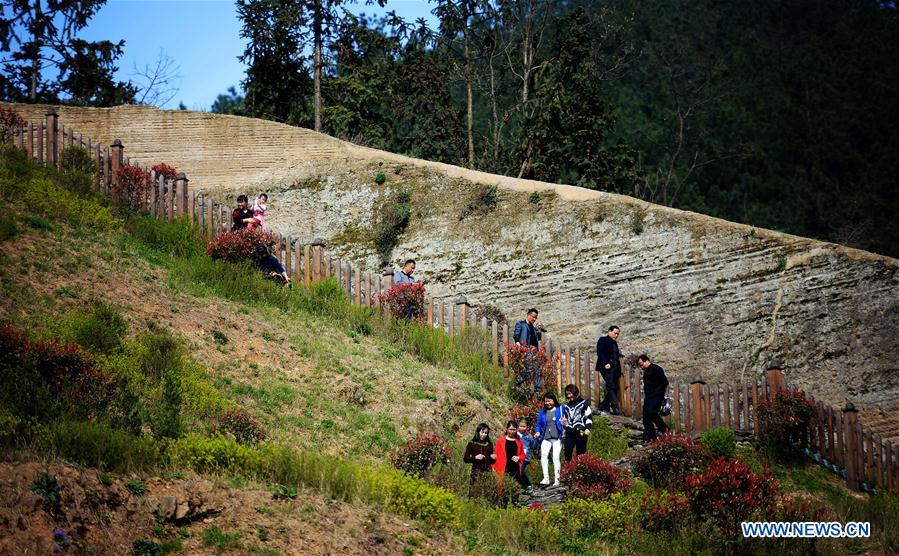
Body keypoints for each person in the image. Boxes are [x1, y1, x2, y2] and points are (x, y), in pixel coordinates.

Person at [493, 420, 532, 492]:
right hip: (504, 467)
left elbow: (522, 455)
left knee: (519, 486)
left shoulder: (518, 441)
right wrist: (494, 467)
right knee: (504, 488)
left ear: (516, 430)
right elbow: (496, 454)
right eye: (510, 429)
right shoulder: (501, 441)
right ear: (507, 429)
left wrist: (518, 457)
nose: (512, 431)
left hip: (515, 468)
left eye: (514, 430)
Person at [638, 354, 669, 442]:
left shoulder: (656, 369)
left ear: (647, 361)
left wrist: (665, 396)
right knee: (645, 418)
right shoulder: (646, 372)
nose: (641, 367)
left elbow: (665, 382)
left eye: (641, 364)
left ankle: (665, 429)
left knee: (652, 412)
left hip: (657, 395)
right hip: (648, 397)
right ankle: (652, 439)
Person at [535, 392, 563, 486]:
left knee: (555, 457)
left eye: (549, 401)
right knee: (544, 455)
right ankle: (546, 478)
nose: (548, 403)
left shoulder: (560, 410)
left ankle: (557, 479)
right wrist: (537, 431)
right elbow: (538, 424)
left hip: (557, 437)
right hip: (546, 437)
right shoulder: (542, 412)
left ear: (554, 400)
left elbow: (565, 420)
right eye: (546, 401)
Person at [561, 384, 593, 462]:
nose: (569, 396)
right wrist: (564, 422)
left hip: (580, 431)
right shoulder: (567, 406)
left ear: (575, 392)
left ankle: (580, 470)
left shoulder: (583, 403)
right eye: (567, 394)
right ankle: (568, 470)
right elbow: (566, 418)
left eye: (570, 393)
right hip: (569, 432)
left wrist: (588, 428)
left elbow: (588, 417)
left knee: (581, 453)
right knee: (567, 451)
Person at [596, 325, 622, 415]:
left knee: (613, 387)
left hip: (615, 369)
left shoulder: (615, 343)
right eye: (615, 333)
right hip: (606, 367)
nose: (616, 335)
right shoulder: (603, 340)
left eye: (618, 334)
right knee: (611, 386)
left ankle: (603, 406)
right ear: (609, 331)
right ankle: (615, 408)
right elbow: (600, 352)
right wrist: (605, 363)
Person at [463, 423, 496, 488]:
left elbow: (491, 462)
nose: (484, 435)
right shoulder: (472, 444)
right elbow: (465, 459)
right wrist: (475, 457)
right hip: (476, 472)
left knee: (488, 492)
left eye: (486, 433)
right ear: (478, 432)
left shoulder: (489, 444)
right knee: (475, 493)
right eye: (482, 432)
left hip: (487, 472)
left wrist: (493, 458)